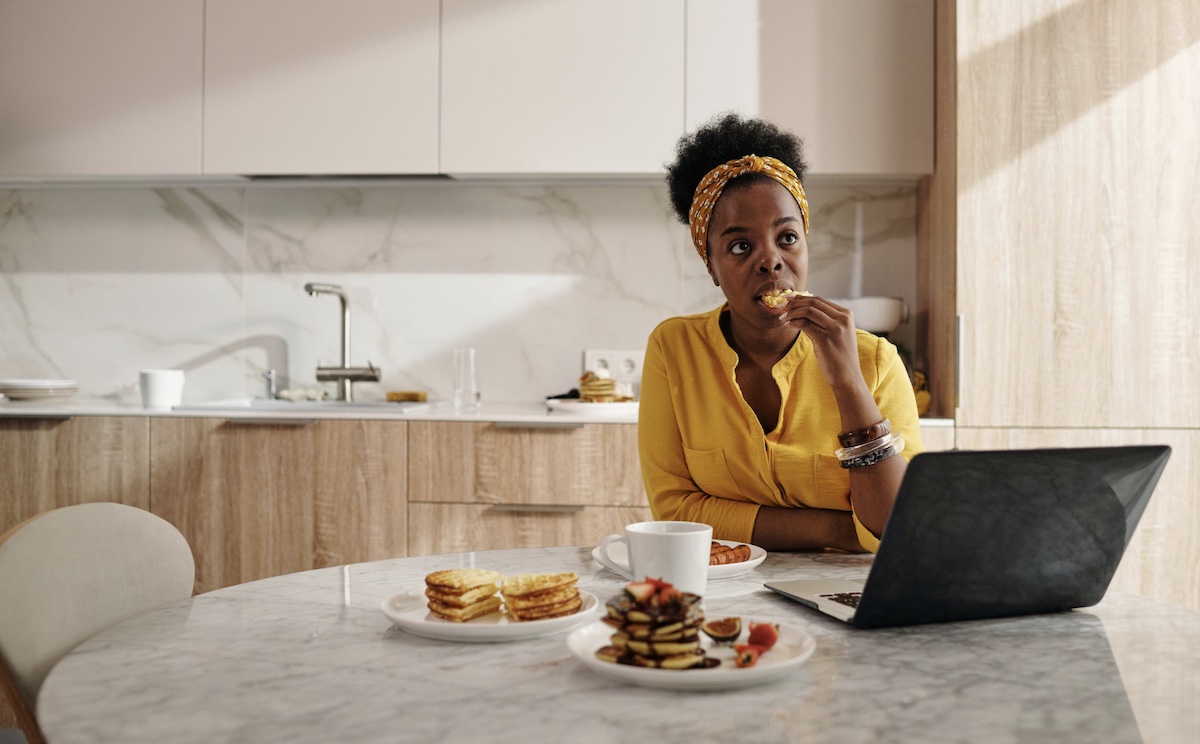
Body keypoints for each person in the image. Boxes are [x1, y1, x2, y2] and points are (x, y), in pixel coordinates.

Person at [638, 113, 924, 553]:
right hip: (723, 588)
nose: (770, 261)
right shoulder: (674, 349)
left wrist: (848, 382)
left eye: (787, 237)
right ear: (711, 268)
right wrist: (838, 531)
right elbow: (675, 512)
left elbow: (897, 527)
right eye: (740, 246)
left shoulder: (876, 362)